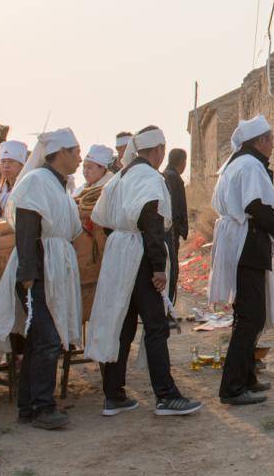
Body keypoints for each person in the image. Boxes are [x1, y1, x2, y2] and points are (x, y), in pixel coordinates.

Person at [86, 126, 202, 418]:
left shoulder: (122, 176)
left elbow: (102, 218)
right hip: (139, 255)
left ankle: (114, 395)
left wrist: (123, 239)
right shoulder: (149, 178)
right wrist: (158, 267)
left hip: (119, 253)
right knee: (155, 326)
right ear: (159, 150)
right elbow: (152, 223)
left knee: (123, 325)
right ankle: (166, 396)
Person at [0, 128, 84, 430]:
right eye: (77, 152)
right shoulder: (36, 182)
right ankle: (43, 407)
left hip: (54, 266)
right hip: (40, 269)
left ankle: (29, 406)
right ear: (62, 153)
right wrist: (28, 273)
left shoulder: (58, 184)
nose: (80, 159)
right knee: (47, 340)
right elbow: (27, 228)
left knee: (40, 341)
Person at [208, 115, 274, 406]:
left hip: (241, 241)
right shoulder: (251, 165)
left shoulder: (237, 163)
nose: (273, 144)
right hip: (247, 243)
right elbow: (255, 205)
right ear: (260, 141)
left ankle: (247, 376)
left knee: (249, 315)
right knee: (250, 318)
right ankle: (232, 387)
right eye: (270, 139)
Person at [160, 149, 190, 309]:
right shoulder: (172, 178)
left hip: (168, 230)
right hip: (170, 231)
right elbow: (176, 208)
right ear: (182, 162)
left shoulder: (166, 176)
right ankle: (167, 307)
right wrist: (180, 228)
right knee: (171, 269)